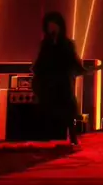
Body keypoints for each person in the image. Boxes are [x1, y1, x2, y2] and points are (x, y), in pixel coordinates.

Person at [32, 11, 84, 146]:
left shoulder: (68, 44)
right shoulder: (45, 45)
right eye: (50, 26)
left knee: (69, 105)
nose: (52, 28)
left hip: (63, 83)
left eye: (55, 25)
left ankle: (72, 135)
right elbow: (39, 65)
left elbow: (74, 62)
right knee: (45, 106)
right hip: (48, 84)